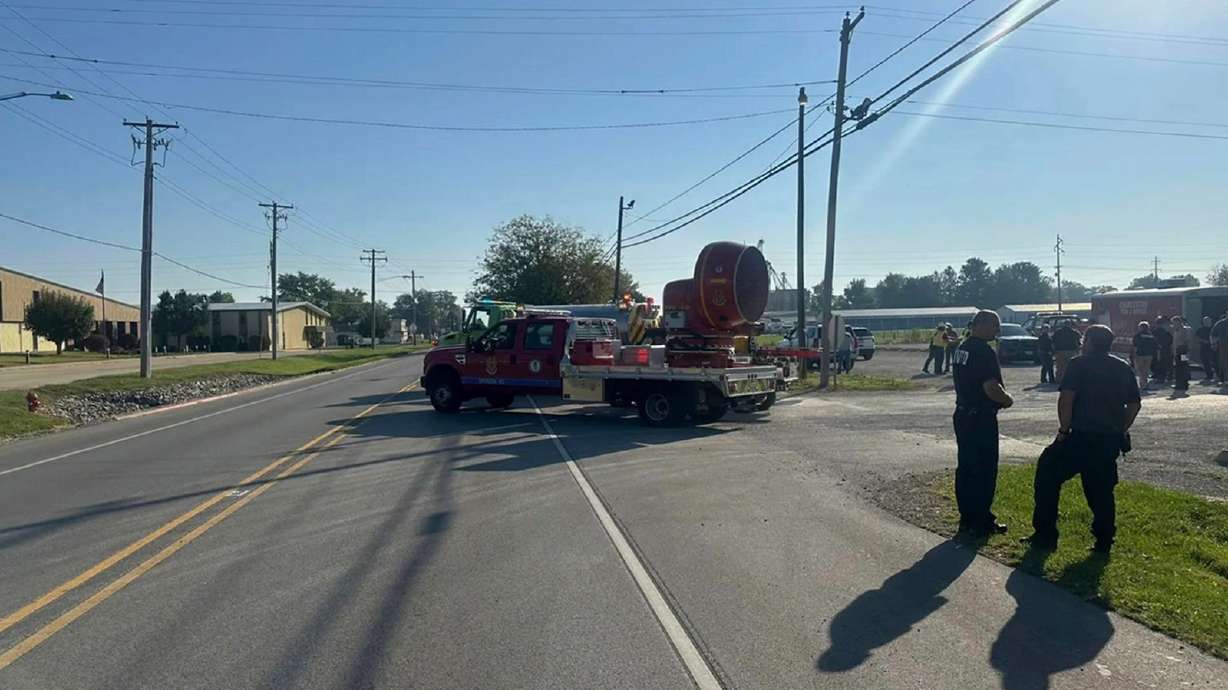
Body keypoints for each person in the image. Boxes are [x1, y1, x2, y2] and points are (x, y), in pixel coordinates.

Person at [1027, 325, 1141, 554]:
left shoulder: (1078, 364)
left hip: (1079, 437)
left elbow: (1066, 399)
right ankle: (1104, 540)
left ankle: (1045, 535)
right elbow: (1134, 404)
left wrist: (1063, 430)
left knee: (1047, 476)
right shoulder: (1122, 366)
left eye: (1084, 338)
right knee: (1101, 491)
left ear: (1088, 342)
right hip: (1108, 440)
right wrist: (1120, 428)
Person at [952, 310, 1014, 537]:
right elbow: (990, 387)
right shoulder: (983, 351)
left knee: (967, 467)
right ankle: (981, 520)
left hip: (962, 414)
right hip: (980, 417)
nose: (997, 330)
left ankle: (967, 517)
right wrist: (1007, 400)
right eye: (995, 325)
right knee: (985, 469)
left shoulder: (962, 348)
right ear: (982, 324)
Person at [1051, 319, 1081, 383]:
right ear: (1070, 324)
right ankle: (1070, 380)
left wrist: (1054, 351)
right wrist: (1078, 350)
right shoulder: (1074, 332)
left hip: (1060, 351)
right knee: (1071, 367)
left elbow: (1053, 342)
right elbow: (1078, 342)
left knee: (1060, 367)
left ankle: (1059, 380)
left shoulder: (1057, 332)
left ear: (1063, 324)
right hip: (1071, 351)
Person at [1131, 321, 1155, 391]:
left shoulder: (1137, 336)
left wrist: (1133, 355)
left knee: (1140, 370)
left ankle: (1142, 384)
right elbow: (1154, 345)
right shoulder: (1151, 335)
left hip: (1140, 355)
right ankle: (1145, 383)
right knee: (1146, 370)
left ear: (1140, 327)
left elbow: (1135, 346)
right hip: (1149, 355)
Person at [1171, 316, 1192, 392]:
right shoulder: (1176, 330)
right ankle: (1179, 383)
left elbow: (1187, 340)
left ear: (1179, 322)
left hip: (1183, 350)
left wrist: (1185, 349)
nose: (1174, 324)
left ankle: (1183, 383)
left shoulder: (1185, 329)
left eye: (1175, 323)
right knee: (1178, 367)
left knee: (1183, 366)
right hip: (1178, 350)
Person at [1152, 317, 1173, 385]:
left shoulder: (1154, 332)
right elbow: (1170, 341)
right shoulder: (1166, 332)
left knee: (1158, 364)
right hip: (1165, 350)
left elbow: (1152, 341)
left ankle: (1159, 377)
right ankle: (1163, 377)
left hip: (1157, 350)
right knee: (1164, 364)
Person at [1196, 316, 1217, 382]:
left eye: (1208, 321)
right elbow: (1196, 337)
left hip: (1213, 347)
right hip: (1203, 347)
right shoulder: (1200, 329)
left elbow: (1217, 336)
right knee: (1205, 362)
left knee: (1214, 362)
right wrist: (1203, 341)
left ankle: (1217, 375)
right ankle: (1209, 375)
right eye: (1205, 321)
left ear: (1211, 321)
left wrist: (1213, 342)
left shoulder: (1214, 328)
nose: (1206, 322)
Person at [1214, 312, 1228, 386]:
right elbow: (1213, 334)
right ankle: (1224, 379)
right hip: (1223, 346)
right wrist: (1214, 344)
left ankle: (1224, 379)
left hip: (1223, 345)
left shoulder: (1220, 323)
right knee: (1224, 362)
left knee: (1224, 362)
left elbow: (1213, 334)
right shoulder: (1220, 323)